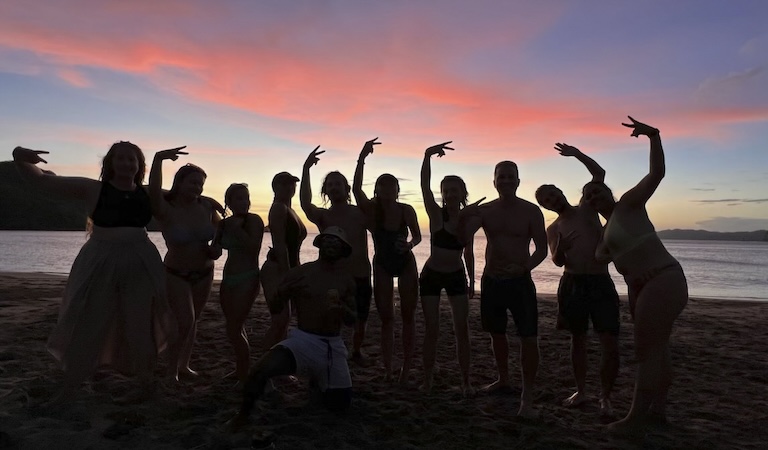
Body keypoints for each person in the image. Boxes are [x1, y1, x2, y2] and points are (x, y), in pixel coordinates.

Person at [12, 142, 175, 401]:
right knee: (90, 319)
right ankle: (72, 383)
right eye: (120, 159)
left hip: (141, 259)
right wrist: (20, 157)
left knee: (140, 321)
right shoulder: (93, 188)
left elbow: (183, 197)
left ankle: (146, 381)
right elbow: (42, 181)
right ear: (109, 163)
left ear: (139, 165)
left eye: (131, 159)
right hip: (101, 258)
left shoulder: (147, 192)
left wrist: (207, 201)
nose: (126, 164)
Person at [583, 117, 688, 435]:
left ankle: (635, 419)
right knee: (658, 348)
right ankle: (658, 412)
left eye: (598, 192)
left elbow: (656, 174)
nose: (594, 197)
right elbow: (598, 258)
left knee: (646, 349)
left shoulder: (628, 205)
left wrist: (654, 136)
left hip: (662, 278)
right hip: (639, 287)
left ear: (609, 193)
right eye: (588, 196)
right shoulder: (603, 231)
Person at [228, 226, 357, 430]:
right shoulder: (300, 273)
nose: (332, 244)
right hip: (303, 340)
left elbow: (352, 320)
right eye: (328, 239)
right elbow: (277, 307)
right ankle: (242, 416)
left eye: (337, 242)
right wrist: (282, 292)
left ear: (343, 249)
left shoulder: (346, 280)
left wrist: (342, 309)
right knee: (259, 372)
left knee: (340, 406)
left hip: (332, 345)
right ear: (320, 244)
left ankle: (317, 382)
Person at [535, 143, 619, 416]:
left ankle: (605, 397)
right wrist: (561, 247)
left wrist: (577, 155)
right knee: (578, 339)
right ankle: (582, 391)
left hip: (599, 281)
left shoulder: (587, 207)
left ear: (560, 192)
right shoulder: (553, 228)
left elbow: (599, 173)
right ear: (545, 206)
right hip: (572, 284)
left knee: (608, 339)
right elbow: (557, 261)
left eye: (554, 194)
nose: (553, 200)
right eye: (547, 200)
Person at [459, 160, 547, 418]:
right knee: (496, 334)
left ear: (518, 181)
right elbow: (462, 239)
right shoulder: (486, 211)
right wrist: (464, 215)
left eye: (511, 177)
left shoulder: (531, 211)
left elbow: (542, 249)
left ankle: (527, 395)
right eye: (502, 177)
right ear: (494, 181)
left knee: (528, 337)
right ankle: (503, 378)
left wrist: (524, 268)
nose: (506, 181)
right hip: (493, 280)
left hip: (520, 281)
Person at [149, 149, 222, 381]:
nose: (197, 188)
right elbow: (152, 190)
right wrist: (158, 160)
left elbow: (221, 230)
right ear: (179, 183)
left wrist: (217, 247)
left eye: (200, 184)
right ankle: (171, 370)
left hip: (205, 272)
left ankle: (184, 365)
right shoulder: (165, 209)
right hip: (175, 273)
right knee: (184, 320)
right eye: (192, 183)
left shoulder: (207, 207)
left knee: (193, 322)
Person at [353, 138, 422, 384]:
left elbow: (418, 236)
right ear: (377, 190)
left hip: (405, 263)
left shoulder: (406, 209)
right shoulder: (371, 210)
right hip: (381, 262)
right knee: (386, 318)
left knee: (408, 315)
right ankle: (388, 368)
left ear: (396, 190)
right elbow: (355, 189)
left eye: (391, 186)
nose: (387, 190)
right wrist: (362, 157)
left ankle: (405, 368)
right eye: (382, 187)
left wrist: (410, 244)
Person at [300, 146, 373, 366]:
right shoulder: (324, 216)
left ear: (346, 188)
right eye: (330, 185)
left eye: (338, 184)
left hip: (360, 274)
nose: (334, 187)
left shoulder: (360, 213)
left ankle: (356, 350)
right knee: (333, 316)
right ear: (325, 190)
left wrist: (361, 160)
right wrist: (306, 169)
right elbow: (305, 203)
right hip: (334, 276)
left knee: (360, 318)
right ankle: (332, 348)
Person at [419, 141, 475, 395]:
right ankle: (428, 379)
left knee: (461, 329)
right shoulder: (435, 214)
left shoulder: (469, 218)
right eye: (447, 190)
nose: (451, 194)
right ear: (443, 194)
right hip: (431, 275)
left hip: (455, 275)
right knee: (432, 329)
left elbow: (469, 252)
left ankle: (465, 381)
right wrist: (427, 156)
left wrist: (472, 281)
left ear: (463, 193)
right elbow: (424, 186)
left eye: (456, 190)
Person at [212, 183, 265, 383]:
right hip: (228, 279)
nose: (244, 202)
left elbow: (253, 247)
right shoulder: (224, 224)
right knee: (234, 325)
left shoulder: (254, 220)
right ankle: (240, 368)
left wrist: (237, 229)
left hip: (248, 277)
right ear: (229, 202)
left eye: (246, 198)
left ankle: (245, 374)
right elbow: (215, 251)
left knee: (233, 328)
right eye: (239, 198)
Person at [260, 171, 308, 352]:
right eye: (284, 184)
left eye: (292, 184)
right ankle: (262, 370)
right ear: (275, 187)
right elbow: (280, 245)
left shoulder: (290, 209)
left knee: (284, 322)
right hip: (277, 269)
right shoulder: (278, 208)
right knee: (279, 321)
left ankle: (274, 368)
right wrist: (288, 275)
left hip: (289, 268)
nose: (289, 187)